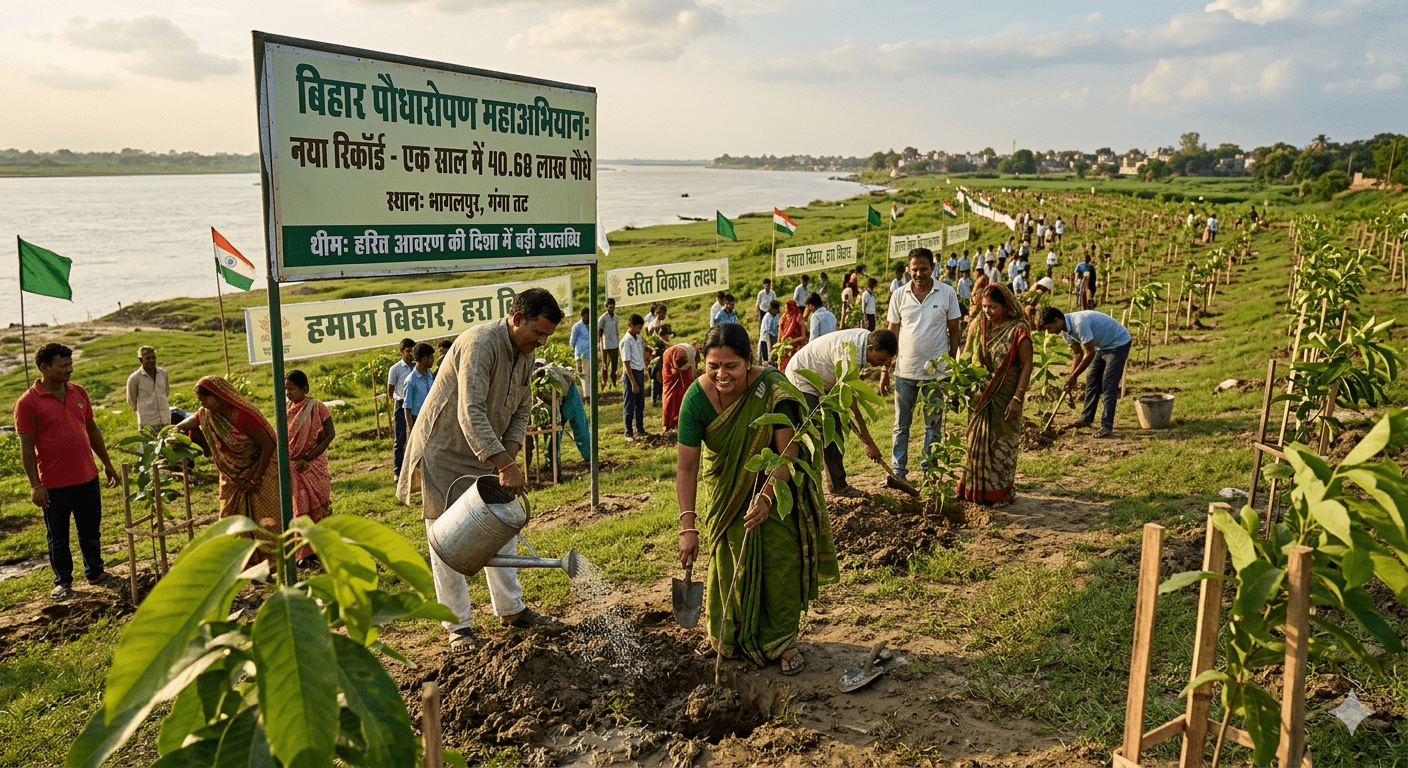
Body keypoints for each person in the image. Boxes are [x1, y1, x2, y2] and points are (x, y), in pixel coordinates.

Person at [396, 288, 568, 650]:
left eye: (547, 336)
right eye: (538, 332)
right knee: (446, 538)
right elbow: (470, 410)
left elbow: (520, 412)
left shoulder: (525, 355)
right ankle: (457, 625)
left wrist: (508, 457)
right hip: (444, 452)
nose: (541, 341)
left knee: (501, 524)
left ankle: (511, 609)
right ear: (516, 317)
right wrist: (504, 463)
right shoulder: (480, 343)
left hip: (486, 453)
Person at [675, 323, 838, 675]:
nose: (722, 374)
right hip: (727, 495)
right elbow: (686, 468)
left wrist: (765, 499)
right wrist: (687, 527)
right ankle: (726, 639)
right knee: (729, 563)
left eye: (731, 366)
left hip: (774, 490)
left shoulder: (773, 389)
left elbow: (787, 457)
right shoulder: (695, 400)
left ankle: (781, 643)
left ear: (749, 361)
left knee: (780, 559)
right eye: (713, 366)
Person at [15, 343, 119, 599]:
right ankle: (63, 581)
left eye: (70, 364)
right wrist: (35, 485)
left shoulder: (79, 392)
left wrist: (106, 464)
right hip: (54, 483)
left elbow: (92, 431)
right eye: (63, 366)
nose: (69, 370)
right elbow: (27, 449)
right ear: (44, 368)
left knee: (91, 529)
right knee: (58, 536)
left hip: (87, 476)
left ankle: (95, 571)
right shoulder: (27, 403)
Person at [178, 376, 281, 568]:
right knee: (229, 518)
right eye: (200, 401)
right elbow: (192, 420)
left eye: (206, 399)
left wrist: (255, 479)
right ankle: (241, 564)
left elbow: (268, 445)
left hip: (262, 467)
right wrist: (174, 430)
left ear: (220, 396)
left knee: (265, 519)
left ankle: (271, 563)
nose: (203, 404)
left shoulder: (245, 415)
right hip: (232, 476)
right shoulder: (208, 413)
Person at [784, 327, 898, 497]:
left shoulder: (864, 341)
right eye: (881, 360)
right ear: (870, 349)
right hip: (802, 379)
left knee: (834, 429)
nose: (881, 364)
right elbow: (850, 402)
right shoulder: (848, 352)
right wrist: (868, 442)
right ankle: (808, 486)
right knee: (824, 430)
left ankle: (836, 484)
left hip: (824, 383)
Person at [887, 248, 963, 482]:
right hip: (905, 371)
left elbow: (954, 330)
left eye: (924, 269)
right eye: (914, 270)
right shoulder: (899, 295)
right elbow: (892, 332)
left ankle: (930, 471)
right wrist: (885, 369)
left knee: (933, 426)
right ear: (908, 270)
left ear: (933, 268)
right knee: (901, 425)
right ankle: (898, 471)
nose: (918, 274)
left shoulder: (947, 293)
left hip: (936, 374)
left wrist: (951, 365)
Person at [957, 286, 1033, 505]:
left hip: (1006, 395)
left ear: (1006, 306)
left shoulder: (1018, 330)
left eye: (993, 307)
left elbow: (1026, 365)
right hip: (978, 395)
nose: (988, 311)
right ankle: (974, 489)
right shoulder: (977, 326)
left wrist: (1017, 399)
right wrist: (958, 385)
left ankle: (1001, 492)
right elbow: (966, 356)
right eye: (984, 307)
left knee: (1002, 443)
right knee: (975, 442)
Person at [1037, 306, 1132, 439]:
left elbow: (1090, 352)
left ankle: (1106, 426)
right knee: (1091, 380)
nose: (1049, 331)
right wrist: (1071, 377)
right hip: (1102, 346)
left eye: (1049, 327)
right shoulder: (1065, 332)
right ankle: (1086, 419)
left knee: (1108, 385)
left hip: (1118, 342)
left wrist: (1074, 376)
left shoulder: (1079, 323)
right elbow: (1078, 354)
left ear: (1057, 320)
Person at [285, 369, 335, 566]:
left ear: (304, 389)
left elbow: (330, 434)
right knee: (299, 508)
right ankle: (304, 554)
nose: (288, 393)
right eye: (286, 389)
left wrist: (308, 457)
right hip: (294, 466)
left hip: (313, 464)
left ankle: (320, 548)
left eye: (292, 389)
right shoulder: (286, 409)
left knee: (319, 504)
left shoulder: (317, 406)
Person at [533, 360, 590, 465]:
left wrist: (561, 418)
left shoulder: (555, 377)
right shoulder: (533, 383)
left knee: (578, 423)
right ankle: (551, 461)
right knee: (551, 428)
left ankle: (589, 457)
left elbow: (562, 393)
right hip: (553, 402)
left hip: (569, 394)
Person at [386, 338, 416, 480]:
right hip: (401, 404)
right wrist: (401, 400)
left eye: (412, 351)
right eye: (407, 351)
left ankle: (414, 469)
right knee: (400, 439)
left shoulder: (418, 366)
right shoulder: (395, 369)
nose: (410, 354)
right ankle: (398, 472)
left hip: (417, 404)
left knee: (416, 436)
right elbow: (390, 391)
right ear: (401, 352)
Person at [125, 345, 170, 432]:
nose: (151, 360)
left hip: (166, 420)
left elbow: (166, 392)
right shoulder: (134, 378)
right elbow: (132, 402)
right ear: (141, 360)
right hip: (148, 423)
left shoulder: (163, 373)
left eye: (153, 357)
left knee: (167, 445)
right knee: (148, 445)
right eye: (148, 358)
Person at [662, 339, 700, 431]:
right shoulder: (683, 356)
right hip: (671, 360)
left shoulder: (691, 354)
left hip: (675, 359)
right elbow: (681, 370)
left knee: (683, 391)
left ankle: (678, 420)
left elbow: (692, 373)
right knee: (670, 393)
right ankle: (667, 423)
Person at [621, 313, 648, 439]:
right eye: (637, 328)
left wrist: (644, 370)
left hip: (639, 371)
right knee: (630, 404)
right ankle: (628, 432)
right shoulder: (626, 341)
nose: (639, 330)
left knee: (640, 404)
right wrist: (633, 382)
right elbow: (626, 362)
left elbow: (640, 356)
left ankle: (640, 429)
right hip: (630, 373)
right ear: (631, 326)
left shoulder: (638, 338)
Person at [403, 342, 437, 431]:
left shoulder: (429, 374)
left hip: (430, 417)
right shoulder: (410, 381)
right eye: (431, 357)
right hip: (418, 420)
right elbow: (407, 409)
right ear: (424, 359)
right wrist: (412, 431)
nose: (433, 360)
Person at [776, 298, 808, 372]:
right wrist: (780, 340)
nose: (787, 310)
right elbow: (780, 329)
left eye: (788, 308)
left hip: (796, 347)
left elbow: (803, 336)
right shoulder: (785, 316)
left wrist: (792, 341)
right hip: (785, 347)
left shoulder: (799, 318)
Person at [598, 298, 620, 391]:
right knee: (605, 365)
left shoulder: (616, 317)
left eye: (613, 306)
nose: (611, 309)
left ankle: (614, 382)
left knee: (614, 365)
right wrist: (600, 343)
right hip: (605, 345)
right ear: (606, 307)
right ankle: (604, 382)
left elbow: (616, 330)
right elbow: (599, 331)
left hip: (614, 344)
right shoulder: (603, 318)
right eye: (609, 307)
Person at [569, 306, 591, 397]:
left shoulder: (591, 325)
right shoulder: (577, 326)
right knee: (584, 376)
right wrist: (577, 356)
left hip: (590, 354)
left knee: (590, 375)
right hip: (581, 355)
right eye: (586, 316)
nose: (588, 318)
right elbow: (572, 341)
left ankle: (591, 395)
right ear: (582, 316)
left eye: (589, 316)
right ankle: (586, 396)